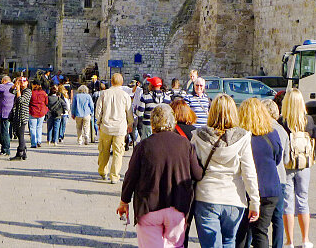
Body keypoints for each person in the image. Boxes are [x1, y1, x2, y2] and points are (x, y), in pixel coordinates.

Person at [118, 104, 204, 248]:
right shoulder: (185, 144)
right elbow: (198, 174)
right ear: (173, 122)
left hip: (149, 208)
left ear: (152, 123)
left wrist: (124, 202)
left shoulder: (144, 146)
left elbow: (130, 177)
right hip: (177, 207)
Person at [191, 94, 260, 248]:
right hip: (234, 198)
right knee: (229, 242)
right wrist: (255, 201)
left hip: (207, 195)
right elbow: (249, 172)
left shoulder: (198, 136)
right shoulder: (242, 137)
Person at [236, 98, 284, 248]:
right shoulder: (273, 134)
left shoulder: (241, 137)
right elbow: (277, 158)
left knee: (242, 233)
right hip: (271, 188)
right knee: (260, 232)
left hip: (248, 190)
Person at [280, 90, 316, 248]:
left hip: (288, 164)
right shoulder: (308, 120)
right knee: (303, 200)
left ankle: (289, 241)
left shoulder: (282, 121)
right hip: (304, 164)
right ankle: (305, 239)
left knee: (287, 203)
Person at [262, 99, 290, 248]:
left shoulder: (261, 129)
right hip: (281, 178)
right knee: (278, 217)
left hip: (265, 179)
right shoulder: (283, 131)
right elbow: (286, 159)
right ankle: (277, 245)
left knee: (261, 220)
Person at [96, 72, 133, 183]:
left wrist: (98, 122)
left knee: (104, 150)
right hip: (120, 128)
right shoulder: (125, 96)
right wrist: (130, 124)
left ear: (111, 82)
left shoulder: (104, 94)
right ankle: (114, 176)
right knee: (118, 152)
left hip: (106, 127)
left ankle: (103, 171)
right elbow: (129, 112)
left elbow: (98, 110)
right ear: (122, 83)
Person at [9, 77, 32, 161]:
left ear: (27, 83)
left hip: (22, 115)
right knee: (18, 134)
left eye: (24, 81)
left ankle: (20, 153)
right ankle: (24, 152)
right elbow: (11, 91)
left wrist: (18, 90)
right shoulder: (21, 90)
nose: (22, 82)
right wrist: (15, 85)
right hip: (17, 115)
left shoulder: (28, 91)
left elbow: (20, 100)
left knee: (21, 134)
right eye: (20, 81)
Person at [0, 75, 15, 156]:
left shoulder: (4, 86)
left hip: (4, 113)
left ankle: (6, 149)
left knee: (4, 131)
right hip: (10, 112)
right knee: (1, 128)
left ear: (4, 81)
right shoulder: (13, 87)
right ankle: (4, 148)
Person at [28, 81, 48, 149]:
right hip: (41, 111)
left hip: (33, 111)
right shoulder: (43, 93)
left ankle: (33, 142)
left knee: (32, 127)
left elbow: (28, 102)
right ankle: (39, 141)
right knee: (39, 127)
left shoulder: (31, 93)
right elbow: (46, 102)